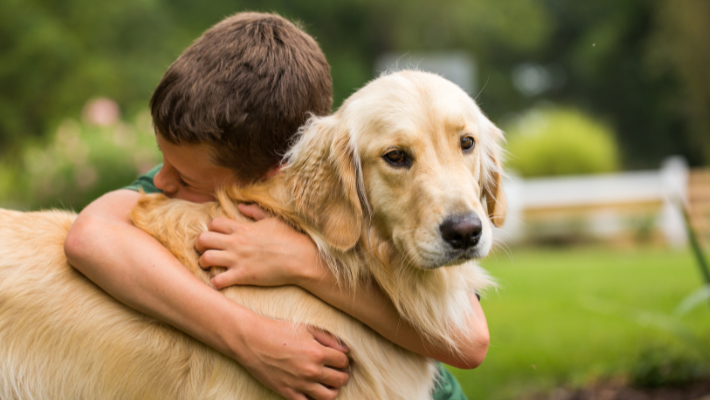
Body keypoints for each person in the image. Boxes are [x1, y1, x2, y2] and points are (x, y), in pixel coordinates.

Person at [64, 12, 488, 400]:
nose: (161, 181)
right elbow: (89, 236)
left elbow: (470, 341)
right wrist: (250, 337)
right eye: (165, 160)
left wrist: (302, 263)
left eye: (185, 176)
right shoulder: (196, 172)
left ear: (274, 172)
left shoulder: (326, 182)